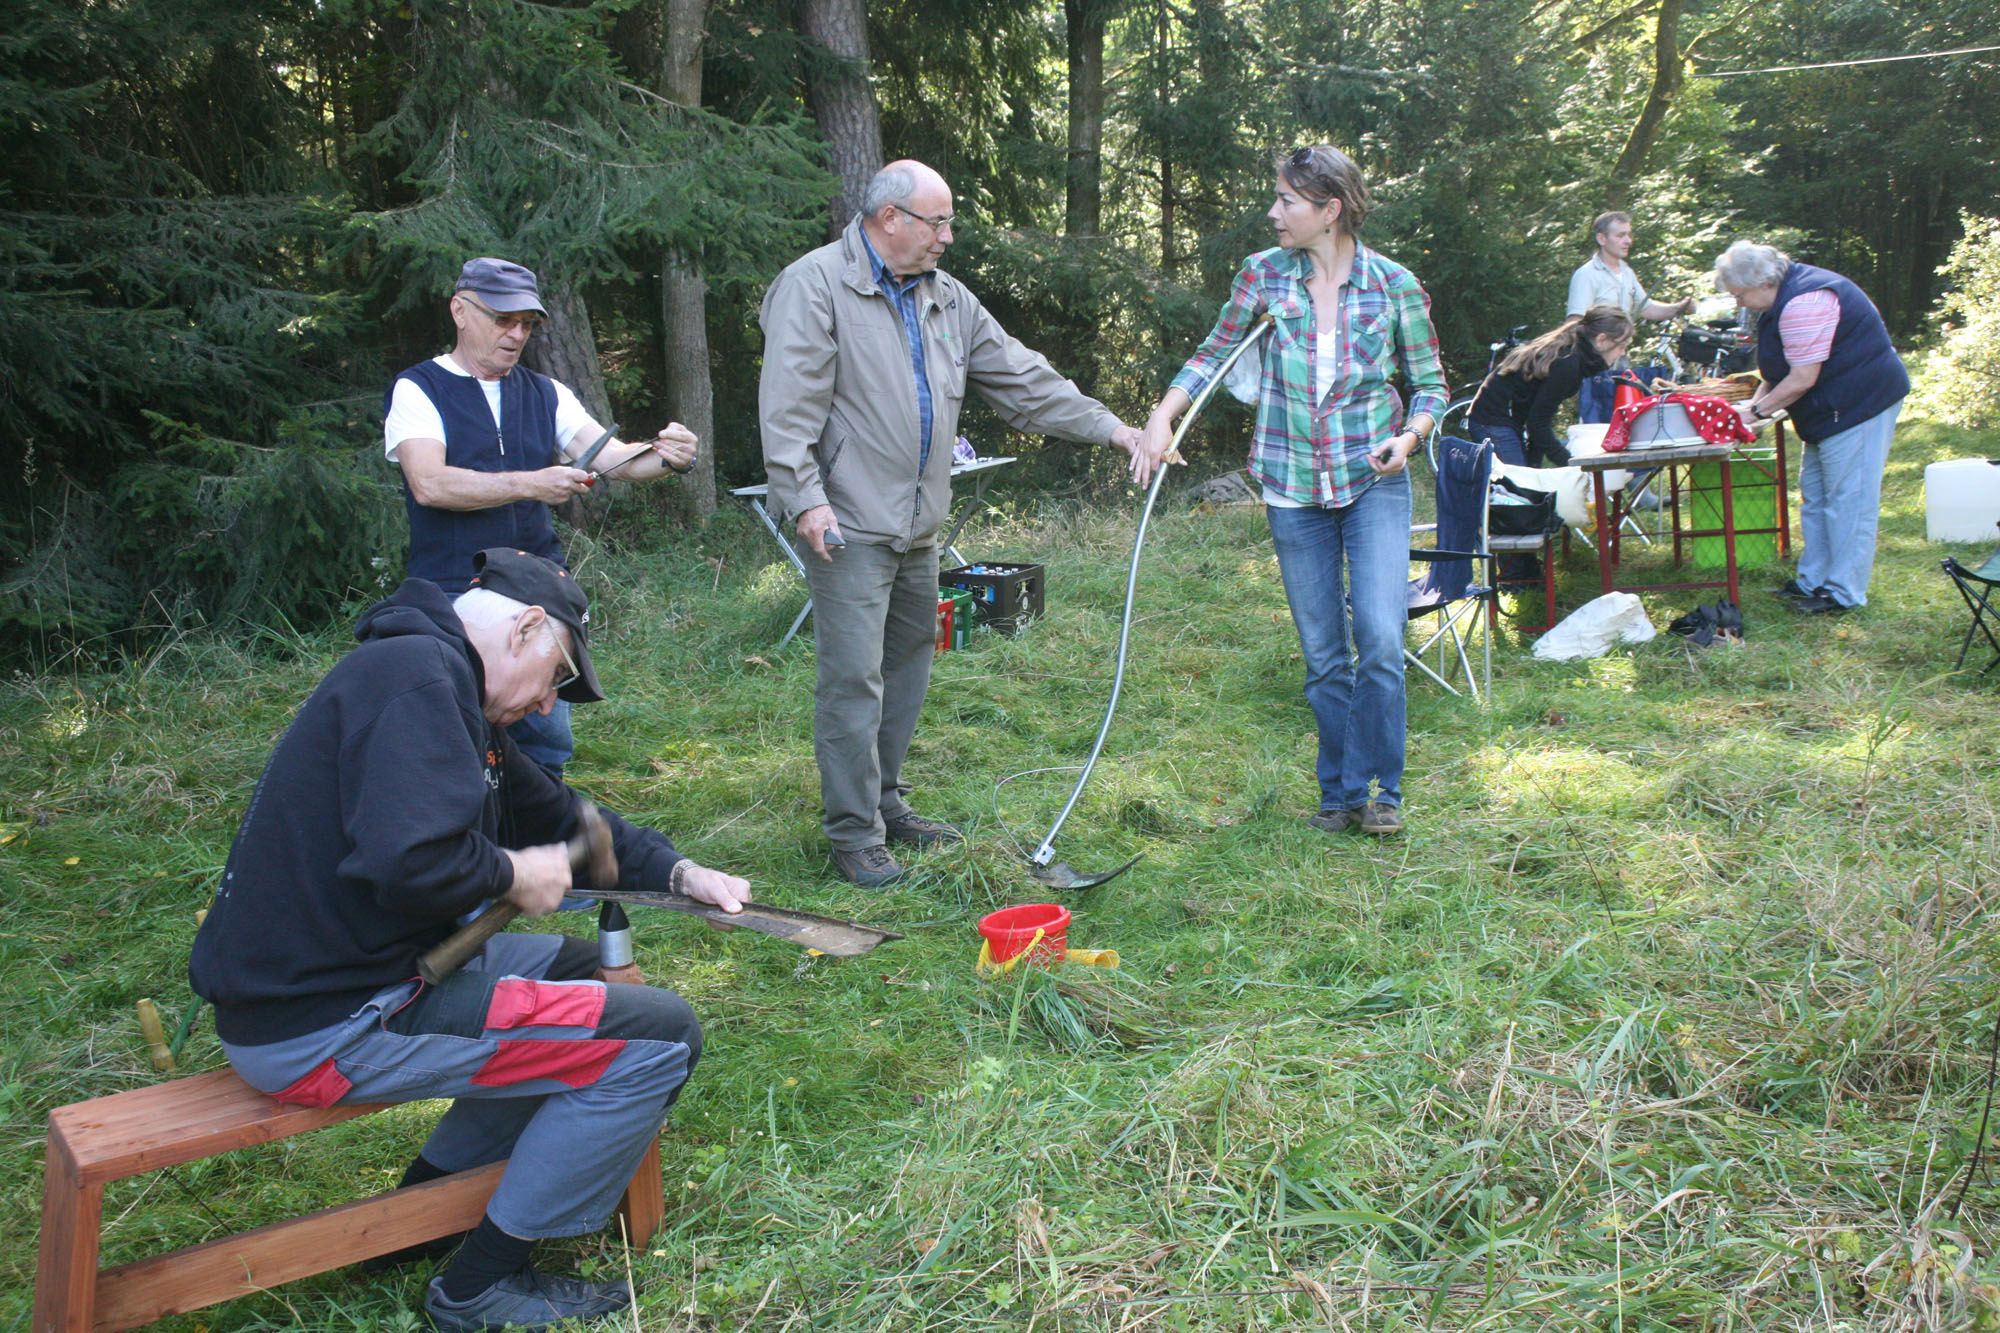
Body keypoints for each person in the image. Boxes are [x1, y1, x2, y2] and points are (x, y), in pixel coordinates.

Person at [188, 548, 752, 1332]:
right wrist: (513, 871)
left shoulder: (444, 687)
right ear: (524, 628)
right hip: (324, 1019)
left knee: (582, 971)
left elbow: (565, 820)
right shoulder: (417, 681)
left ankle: (421, 1217)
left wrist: (682, 872)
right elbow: (407, 863)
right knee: (661, 1036)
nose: (547, 706)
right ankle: (479, 1284)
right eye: (556, 677)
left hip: (362, 974)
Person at [758, 159, 1148, 888]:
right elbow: (788, 405)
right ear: (890, 219)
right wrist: (805, 498)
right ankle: (854, 834)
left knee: (908, 665)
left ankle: (885, 802)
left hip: (918, 525)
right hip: (846, 523)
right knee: (853, 679)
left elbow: (1022, 377)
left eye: (949, 223)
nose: (947, 237)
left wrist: (1112, 428)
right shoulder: (815, 285)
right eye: (936, 222)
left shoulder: (946, 297)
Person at [1137, 145, 1446, 837]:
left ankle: (1384, 790)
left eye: (1287, 201)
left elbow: (1431, 385)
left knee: (1380, 638)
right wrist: (1162, 416)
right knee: (1324, 655)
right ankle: (1340, 793)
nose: (1274, 212)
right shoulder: (1263, 274)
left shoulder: (1393, 285)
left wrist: (1410, 438)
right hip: (1290, 485)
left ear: (1329, 209)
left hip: (1373, 481)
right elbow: (1214, 353)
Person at [386, 257, 700, 779]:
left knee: (544, 743)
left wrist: (668, 456)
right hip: (451, 592)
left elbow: (615, 460)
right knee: (451, 738)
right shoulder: (419, 388)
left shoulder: (546, 392)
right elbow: (431, 484)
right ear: (460, 311)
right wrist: (533, 483)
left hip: (537, 593)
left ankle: (540, 818)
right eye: (502, 319)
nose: (516, 335)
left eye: (526, 324)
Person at [1714, 240, 1910, 615]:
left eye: (1740, 295)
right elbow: (1778, 371)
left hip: (1859, 403)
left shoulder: (1805, 301)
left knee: (1849, 501)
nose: (1739, 303)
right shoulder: (1778, 298)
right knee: (1817, 496)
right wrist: (1752, 406)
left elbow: (1802, 378)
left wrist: (1754, 413)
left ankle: (1843, 592)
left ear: (1764, 282)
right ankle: (1813, 581)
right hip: (1828, 409)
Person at [1567, 212, 1698, 422]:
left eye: (1629, 234)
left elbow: (1647, 308)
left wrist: (1679, 307)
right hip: (1593, 365)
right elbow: (1574, 323)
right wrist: (1590, 359)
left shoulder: (1626, 272)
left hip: (1620, 359)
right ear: (1601, 238)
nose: (1628, 240)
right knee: (1598, 422)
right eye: (1620, 235)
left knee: (1624, 418)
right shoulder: (1586, 275)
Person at [1467, 305, 1635, 467]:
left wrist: (1534, 464)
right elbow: (1537, 423)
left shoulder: (1576, 356)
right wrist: (1570, 463)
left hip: (1508, 417)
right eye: (1621, 346)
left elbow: (1537, 415)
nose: (1622, 353)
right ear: (1601, 340)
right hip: (1491, 419)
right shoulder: (1568, 364)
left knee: (1529, 480)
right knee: (1518, 482)